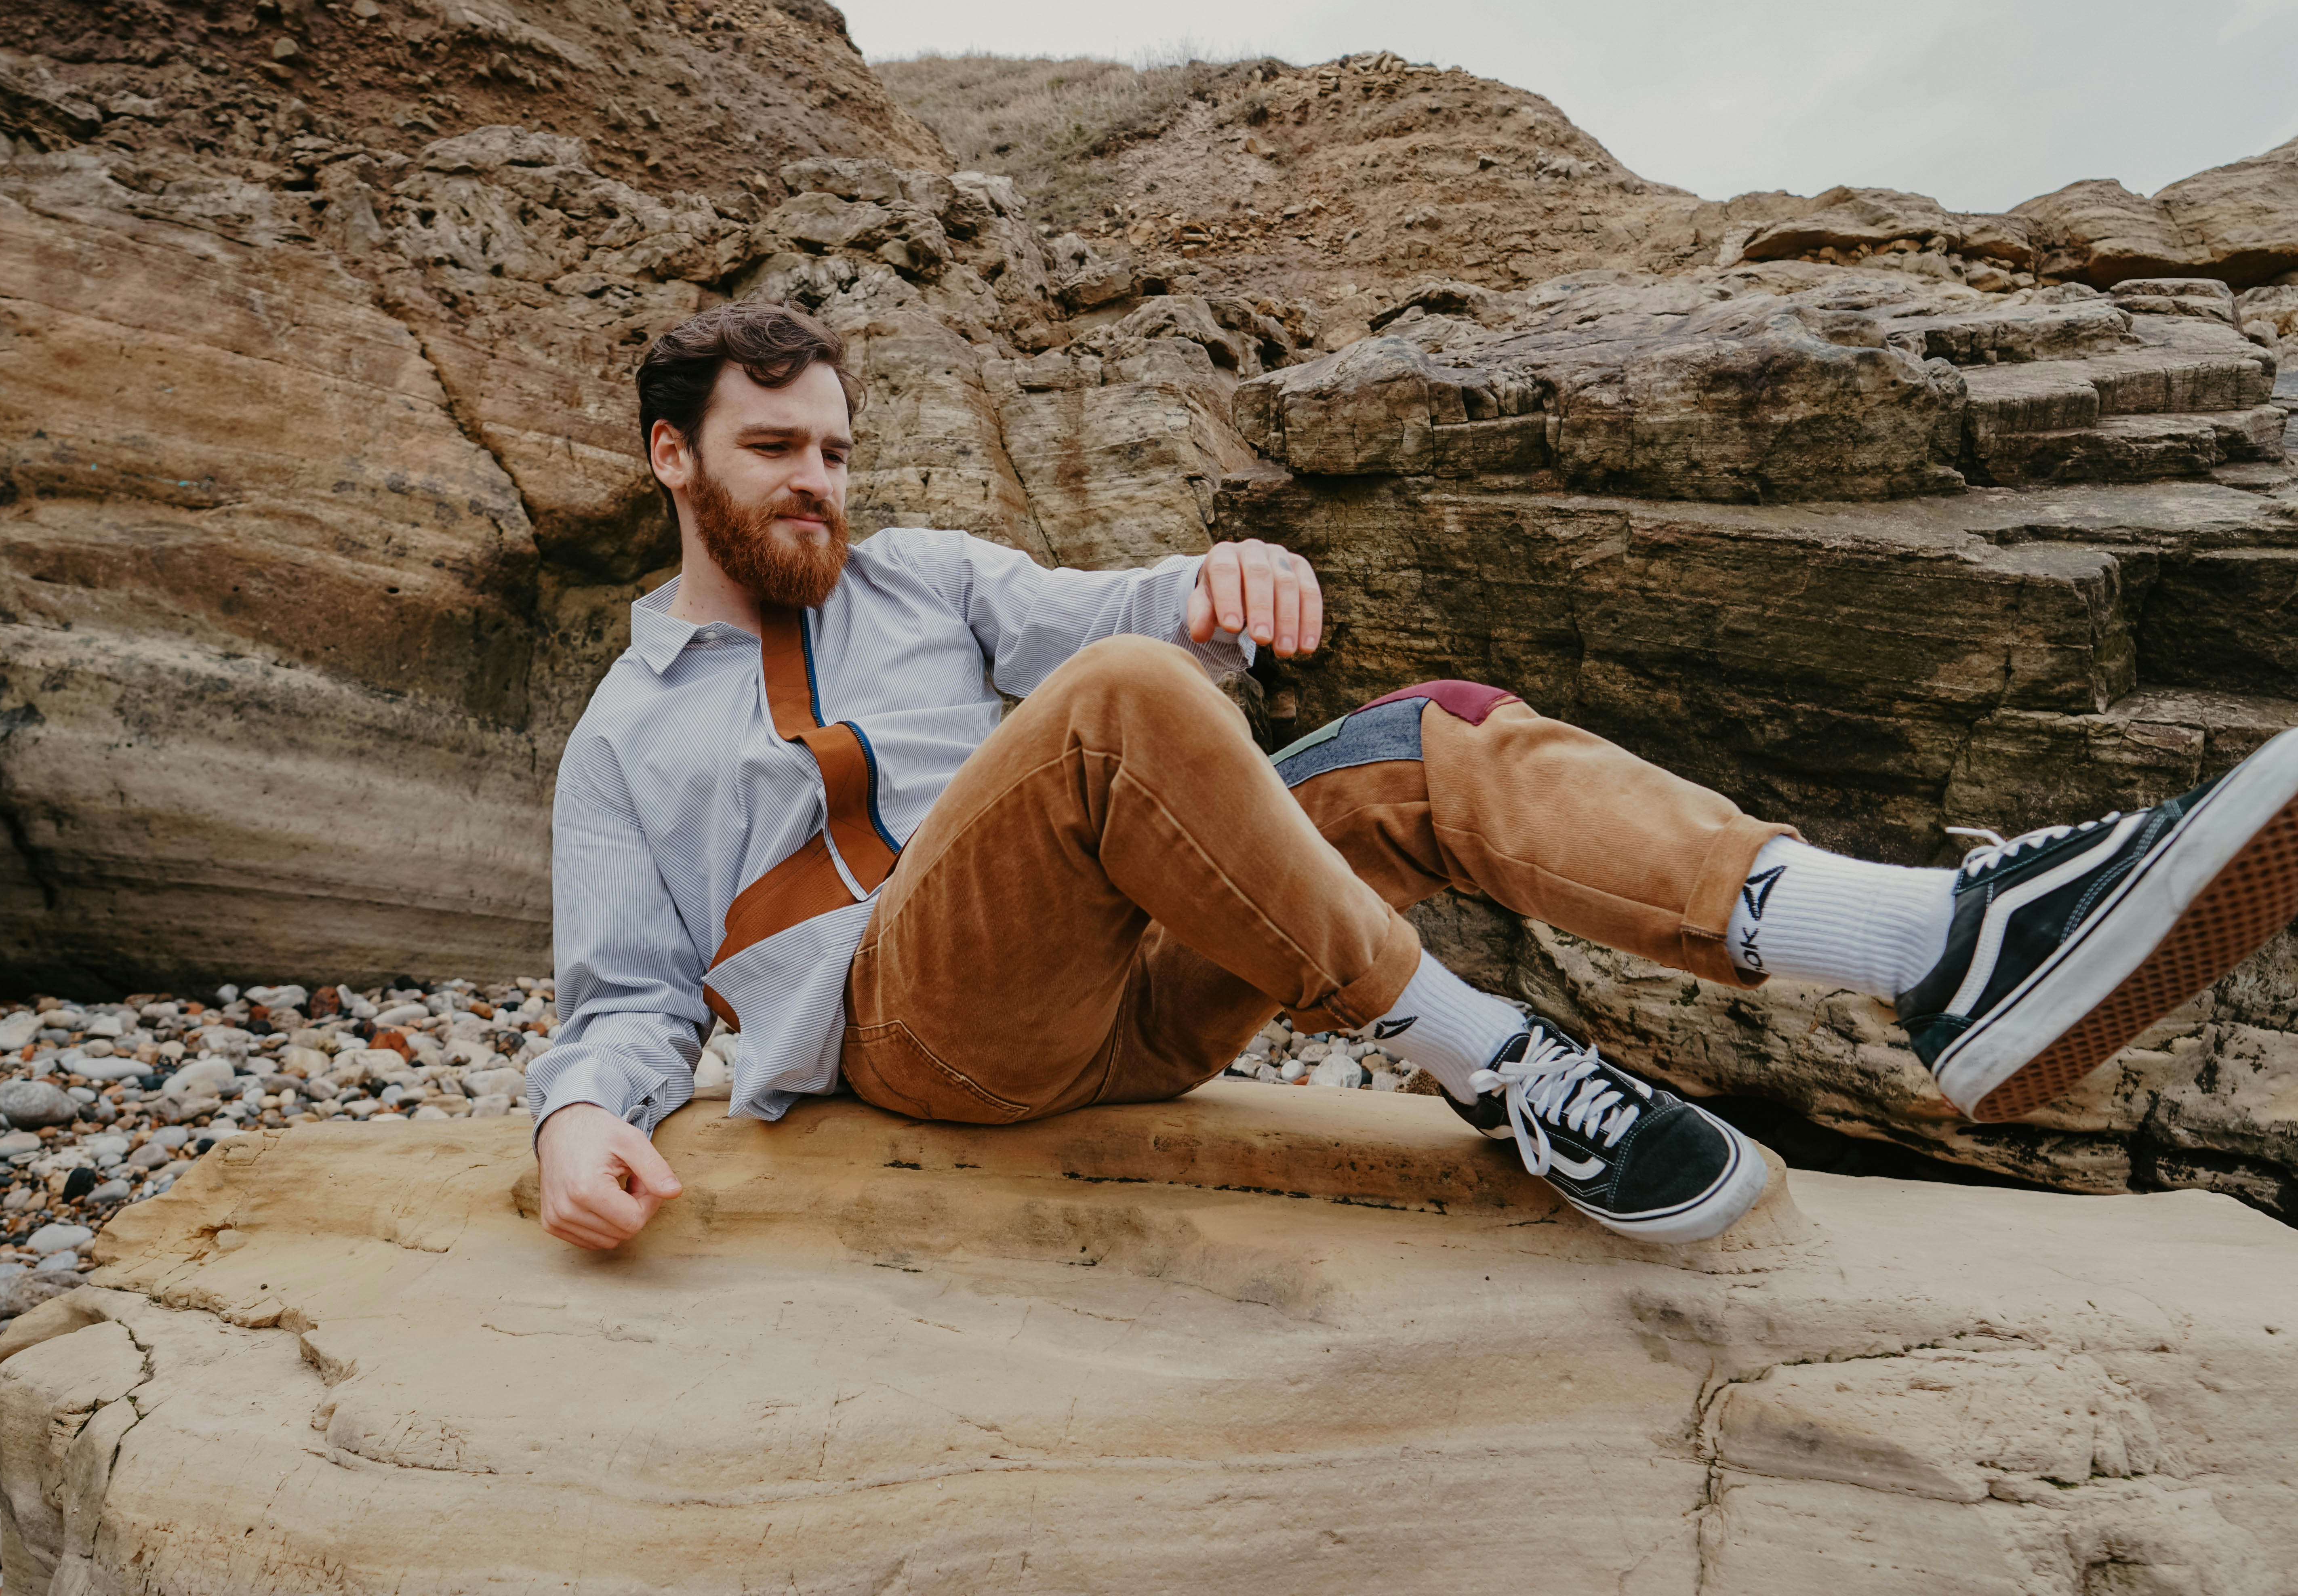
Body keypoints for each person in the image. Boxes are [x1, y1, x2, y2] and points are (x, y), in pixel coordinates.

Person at [528, 302, 2298, 1251]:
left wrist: (1236, 579)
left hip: (1143, 986)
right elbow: (619, 999)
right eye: (776, 453)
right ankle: (1498, 1062)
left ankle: (1929, 938)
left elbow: (1126, 614)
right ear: (674, 457)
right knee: (1120, 703)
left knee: (1425, 729)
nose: (819, 484)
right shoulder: (622, 738)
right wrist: (578, 1122)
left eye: (836, 448)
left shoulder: (926, 576)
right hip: (929, 1042)